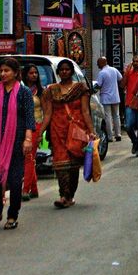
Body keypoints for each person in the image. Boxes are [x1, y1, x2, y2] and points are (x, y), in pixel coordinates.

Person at [0, 58, 35, 230]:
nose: (3, 74)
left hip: (16, 141)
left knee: (14, 180)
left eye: (6, 70)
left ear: (15, 72)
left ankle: (13, 215)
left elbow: (29, 116)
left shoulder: (24, 92)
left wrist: (28, 139)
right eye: (1, 71)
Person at [39, 59, 96, 209]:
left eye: (67, 69)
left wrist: (91, 131)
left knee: (73, 165)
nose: (64, 72)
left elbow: (85, 111)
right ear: (58, 72)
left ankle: (70, 196)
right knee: (61, 164)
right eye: (62, 69)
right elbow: (48, 114)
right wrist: (40, 132)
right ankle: (63, 195)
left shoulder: (80, 89)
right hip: (57, 129)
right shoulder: (51, 90)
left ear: (72, 71)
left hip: (76, 129)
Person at [21, 64, 44, 201]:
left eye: (36, 72)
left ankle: (25, 189)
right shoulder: (21, 90)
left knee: (29, 157)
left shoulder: (41, 91)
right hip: (22, 128)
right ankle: (34, 189)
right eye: (31, 73)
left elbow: (46, 111)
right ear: (25, 74)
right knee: (29, 158)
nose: (34, 75)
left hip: (36, 126)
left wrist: (42, 131)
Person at [121, 55, 138, 155]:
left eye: (137, 61)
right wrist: (126, 73)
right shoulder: (129, 73)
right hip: (129, 103)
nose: (135, 63)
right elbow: (122, 85)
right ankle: (135, 142)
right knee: (128, 126)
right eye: (134, 61)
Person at [95, 56, 122, 142]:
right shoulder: (114, 70)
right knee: (116, 116)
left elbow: (98, 85)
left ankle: (110, 137)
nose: (97, 65)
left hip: (106, 97)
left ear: (103, 63)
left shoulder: (102, 73)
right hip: (115, 96)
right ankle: (118, 134)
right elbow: (120, 78)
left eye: (98, 63)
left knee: (108, 117)